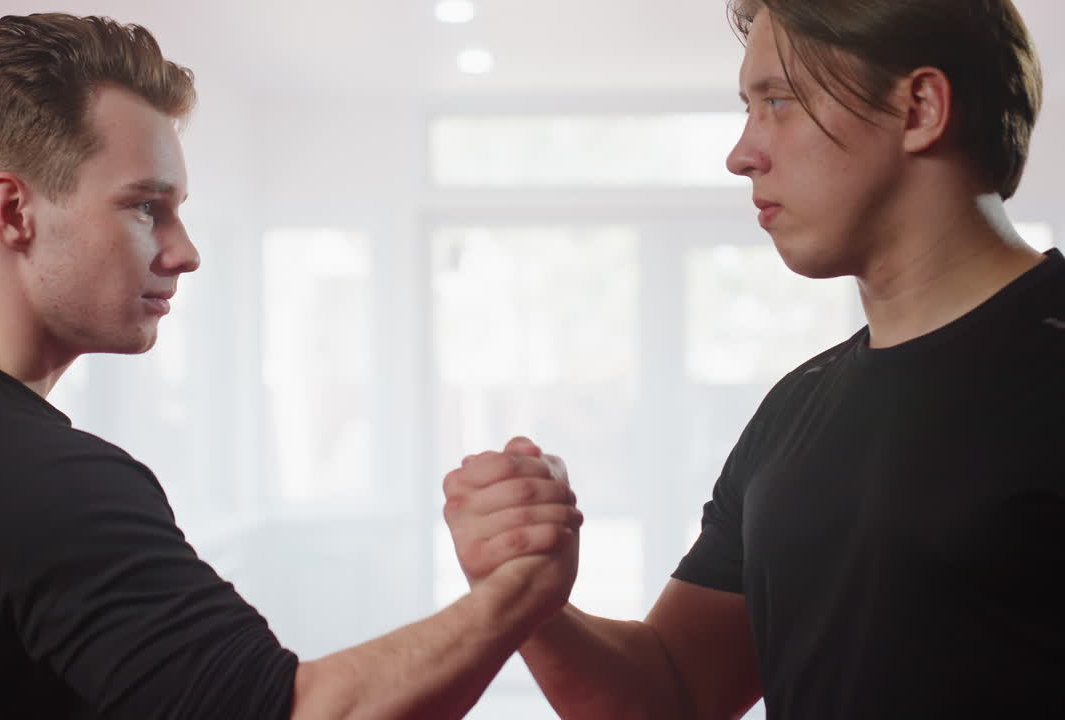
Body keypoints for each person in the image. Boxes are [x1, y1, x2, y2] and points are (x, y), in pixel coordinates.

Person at [0, 13, 581, 719]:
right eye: (146, 207)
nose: (185, 252)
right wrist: (521, 593)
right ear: (15, 213)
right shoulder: (26, 476)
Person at [443, 0, 1063, 718]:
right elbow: (674, 693)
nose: (741, 154)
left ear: (920, 108)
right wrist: (523, 596)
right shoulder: (798, 406)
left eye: (779, 102)